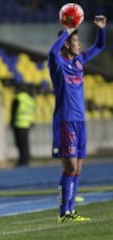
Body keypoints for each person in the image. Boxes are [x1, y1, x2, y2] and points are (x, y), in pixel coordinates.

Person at [48, 15, 106, 223]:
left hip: (80, 120)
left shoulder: (80, 60)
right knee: (70, 167)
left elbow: (99, 47)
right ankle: (64, 212)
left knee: (78, 167)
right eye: (75, 41)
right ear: (66, 44)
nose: (79, 45)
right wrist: (67, 30)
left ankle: (71, 211)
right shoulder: (58, 63)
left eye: (79, 42)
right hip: (65, 120)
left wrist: (101, 29)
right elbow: (51, 51)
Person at [10, 84, 35, 167]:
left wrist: (11, 122)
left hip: (19, 123)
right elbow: (32, 111)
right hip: (27, 123)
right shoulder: (29, 98)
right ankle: (26, 159)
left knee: (20, 143)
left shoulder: (18, 98)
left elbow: (13, 112)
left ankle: (22, 160)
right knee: (25, 143)